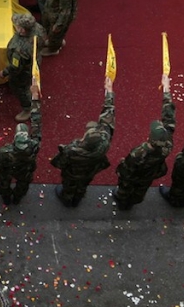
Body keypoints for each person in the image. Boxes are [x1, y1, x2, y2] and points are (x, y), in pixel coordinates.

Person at [112, 75, 174, 211]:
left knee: (126, 188)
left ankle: (123, 201)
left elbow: (126, 169)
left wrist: (120, 169)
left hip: (134, 175)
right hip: (151, 174)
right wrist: (166, 89)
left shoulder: (139, 153)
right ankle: (133, 202)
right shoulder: (167, 142)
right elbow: (169, 115)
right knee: (141, 189)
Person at [51, 78, 115, 207]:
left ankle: (67, 198)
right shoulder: (104, 143)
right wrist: (109, 91)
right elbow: (108, 116)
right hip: (90, 172)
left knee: (69, 185)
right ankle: (78, 198)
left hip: (72, 174)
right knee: (83, 185)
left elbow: (60, 163)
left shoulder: (72, 150)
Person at [0, 85, 43, 205]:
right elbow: (36, 124)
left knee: (4, 184)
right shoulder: (34, 146)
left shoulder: (4, 151)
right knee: (23, 185)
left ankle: (6, 198)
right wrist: (35, 99)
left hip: (7, 171)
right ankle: (17, 198)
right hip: (25, 171)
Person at [0, 13, 42, 121]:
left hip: (23, 72)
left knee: (20, 89)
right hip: (35, 61)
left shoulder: (19, 50)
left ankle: (28, 108)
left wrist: (5, 72)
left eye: (17, 25)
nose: (15, 26)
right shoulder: (37, 28)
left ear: (23, 30)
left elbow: (15, 67)